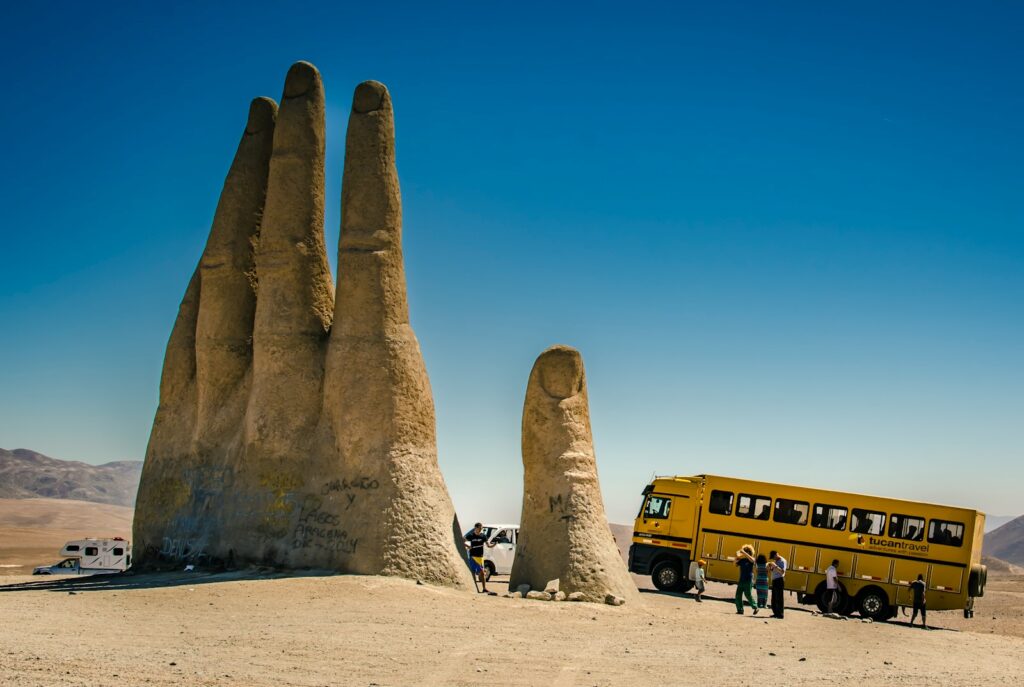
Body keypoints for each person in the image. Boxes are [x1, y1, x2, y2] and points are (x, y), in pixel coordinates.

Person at [464, 522, 496, 594]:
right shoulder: (471, 535)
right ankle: (474, 588)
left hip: (480, 557)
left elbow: (488, 545)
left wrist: (493, 545)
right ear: (476, 528)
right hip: (472, 556)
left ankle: (484, 588)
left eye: (481, 528)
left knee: (482, 573)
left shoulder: (483, 536)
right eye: (480, 528)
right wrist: (468, 546)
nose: (481, 529)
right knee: (472, 572)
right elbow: (462, 540)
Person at [734, 545, 758, 615]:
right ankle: (740, 610)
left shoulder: (751, 559)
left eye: (746, 551)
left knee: (748, 594)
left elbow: (753, 560)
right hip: (741, 579)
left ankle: (755, 607)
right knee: (738, 595)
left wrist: (744, 552)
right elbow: (734, 563)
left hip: (748, 579)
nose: (744, 552)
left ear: (749, 552)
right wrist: (737, 556)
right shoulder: (742, 560)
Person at [767, 550, 787, 618]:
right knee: (774, 598)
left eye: (773, 557)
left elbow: (782, 572)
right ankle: (775, 613)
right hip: (775, 580)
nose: (773, 559)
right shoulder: (776, 561)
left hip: (779, 580)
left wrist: (775, 566)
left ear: (776, 555)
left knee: (779, 598)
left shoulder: (782, 561)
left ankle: (780, 614)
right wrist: (770, 567)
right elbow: (773, 570)